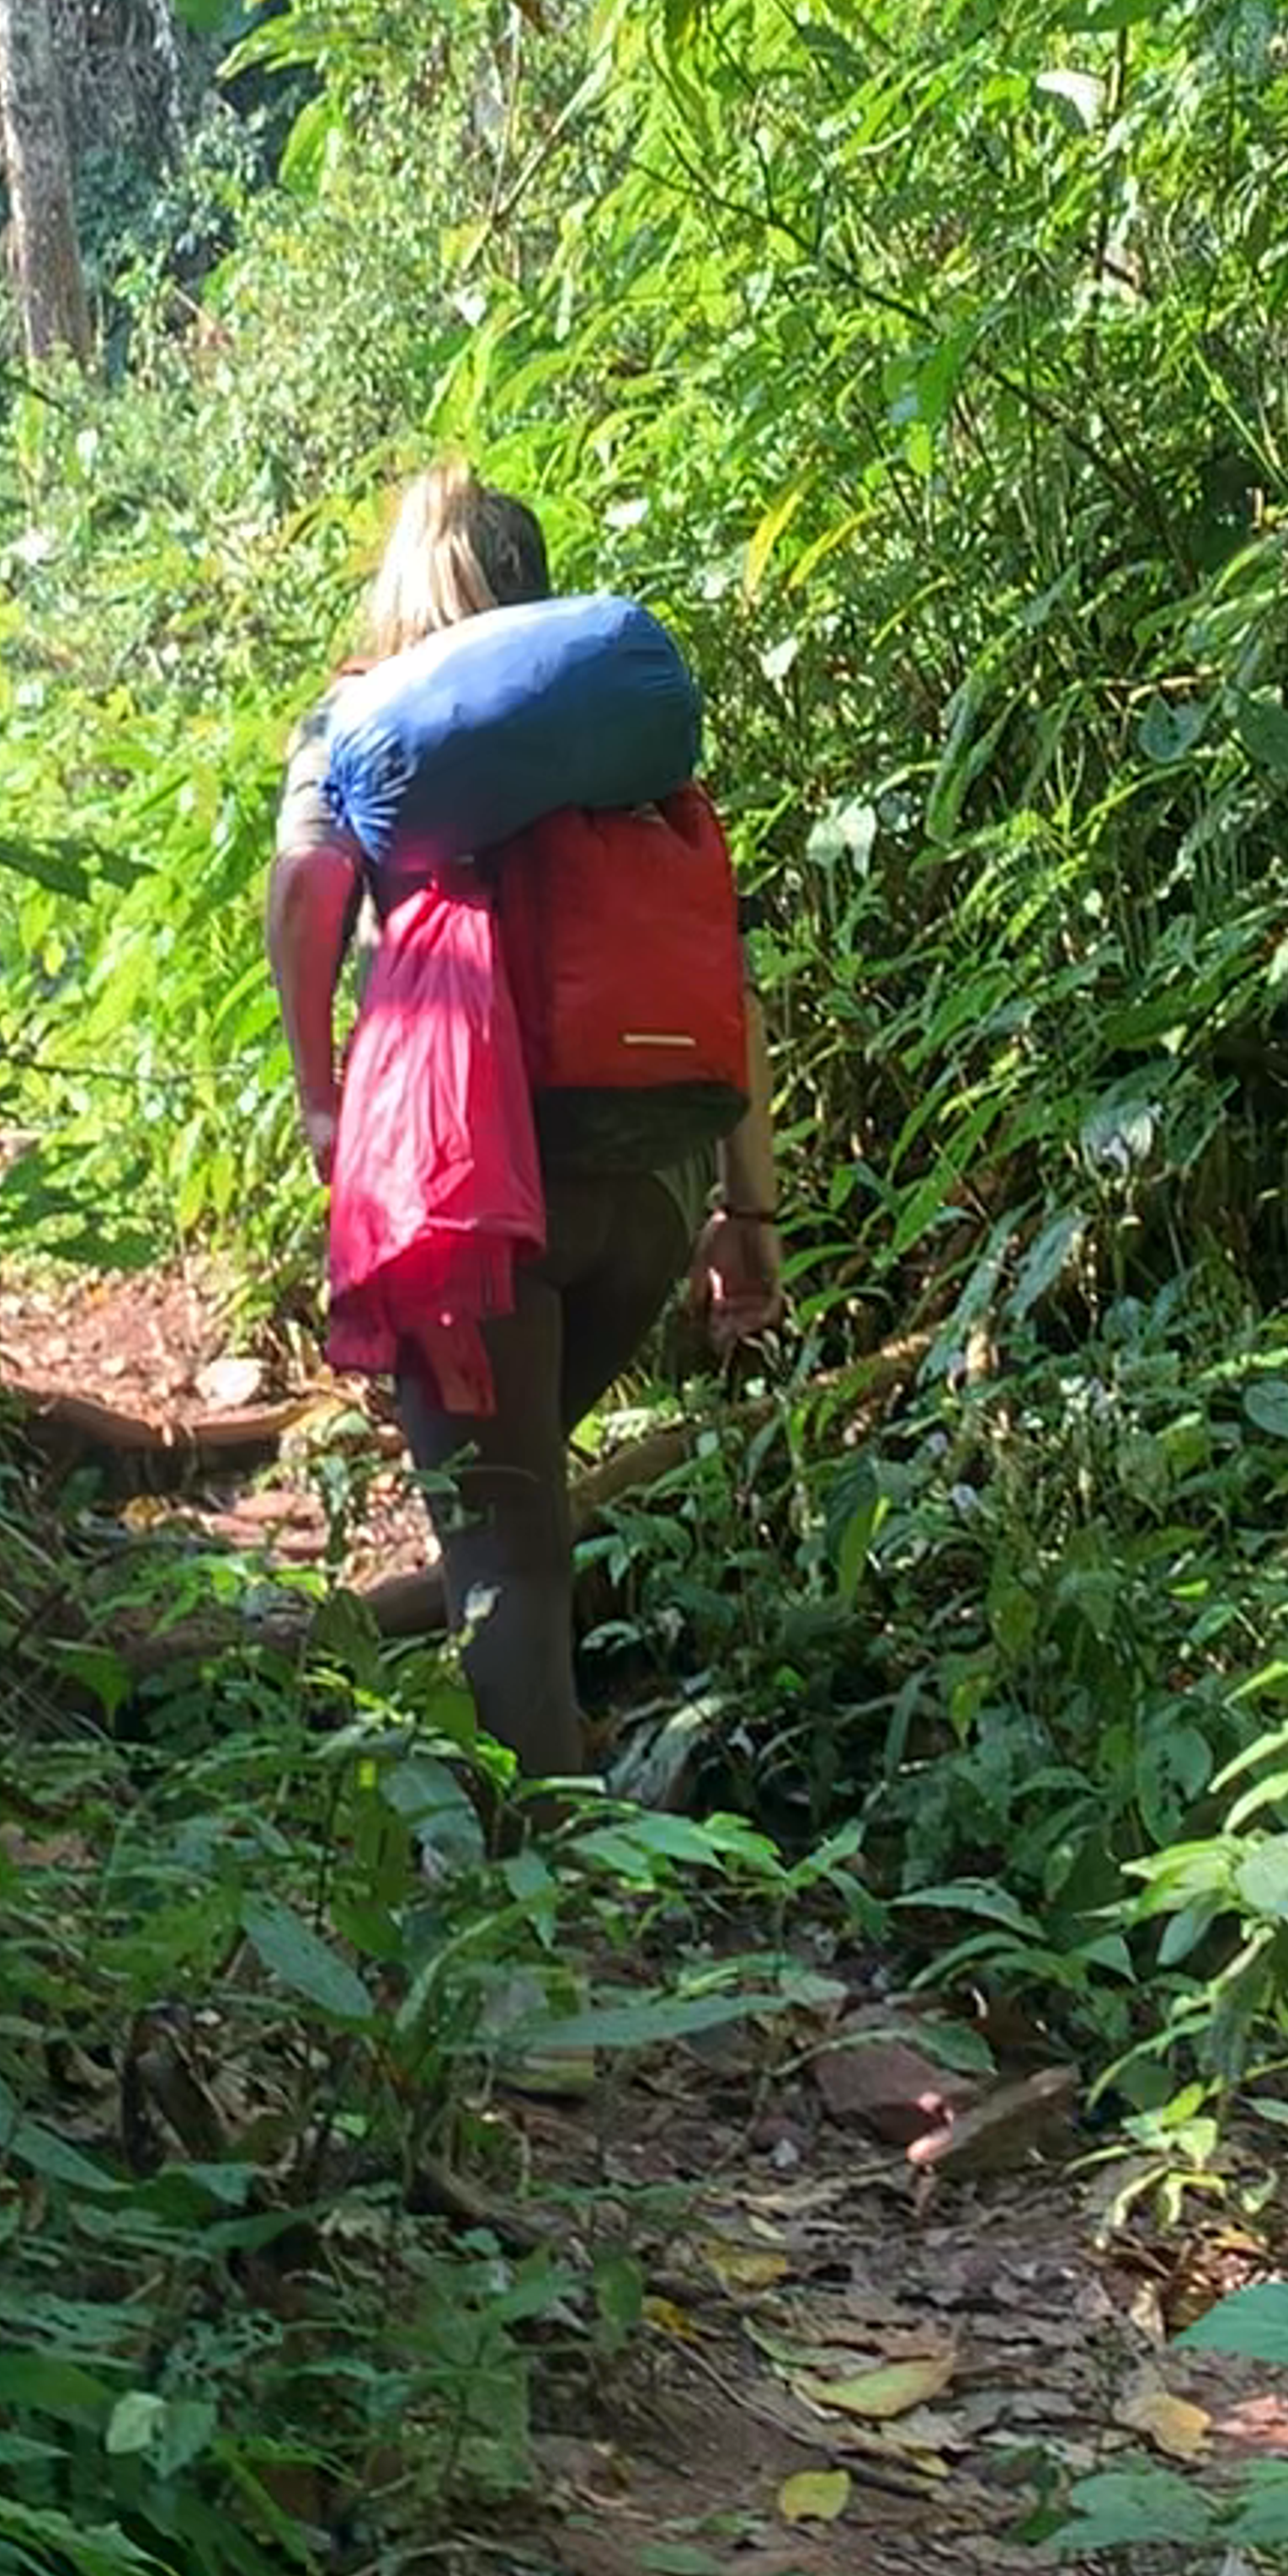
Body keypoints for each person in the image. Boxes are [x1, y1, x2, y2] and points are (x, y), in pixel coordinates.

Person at [264, 461, 782, 1777]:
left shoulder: (362, 721)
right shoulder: (620, 736)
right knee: (518, 1495)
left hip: (474, 1186)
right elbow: (725, 961)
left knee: (506, 1543)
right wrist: (745, 1205)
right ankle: (520, 1761)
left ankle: (537, 1909)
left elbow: (304, 896)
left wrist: (323, 1097)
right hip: (653, 1184)